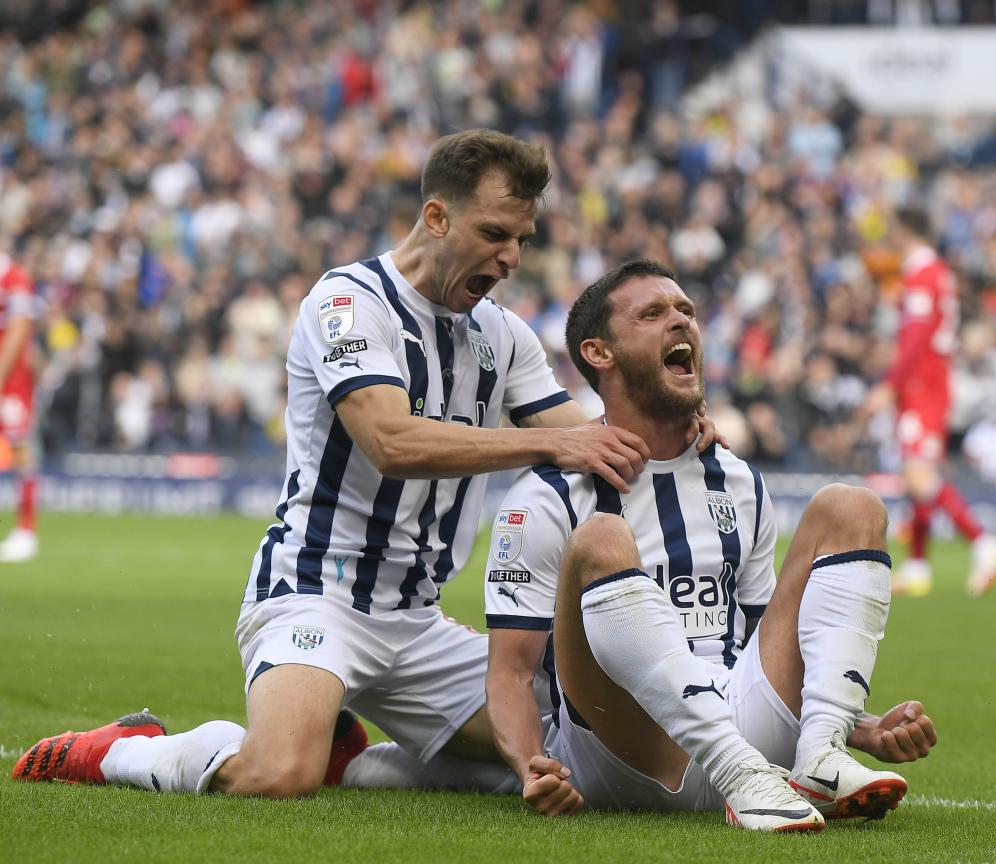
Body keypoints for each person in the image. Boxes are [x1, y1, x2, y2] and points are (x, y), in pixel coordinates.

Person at [12, 130, 719, 795]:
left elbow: (593, 438)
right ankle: (120, 749)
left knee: (569, 748)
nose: (509, 258)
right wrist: (553, 444)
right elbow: (392, 442)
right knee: (280, 773)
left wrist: (673, 434)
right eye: (494, 234)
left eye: (522, 240)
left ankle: (358, 759)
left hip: (418, 620)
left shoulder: (501, 335)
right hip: (316, 591)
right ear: (437, 218)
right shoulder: (348, 302)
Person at [483, 260, 936, 832]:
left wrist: (860, 722)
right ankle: (741, 773)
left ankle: (822, 753)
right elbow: (510, 672)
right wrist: (529, 764)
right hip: (625, 748)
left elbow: (761, 640)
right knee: (601, 535)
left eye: (687, 312)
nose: (681, 322)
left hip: (740, 717)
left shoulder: (739, 481)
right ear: (601, 353)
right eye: (653, 314)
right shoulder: (545, 496)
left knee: (853, 505)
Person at [857, 206, 996, 597]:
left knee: (920, 476)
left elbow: (917, 338)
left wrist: (890, 384)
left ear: (905, 231)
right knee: (912, 474)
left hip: (923, 386)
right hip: (928, 383)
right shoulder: (936, 273)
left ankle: (983, 543)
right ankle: (919, 566)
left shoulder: (922, 274)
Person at [0, 249, 39, 563]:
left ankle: (26, 531)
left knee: (19, 445)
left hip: (10, 381)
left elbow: (19, 328)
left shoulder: (14, 277)